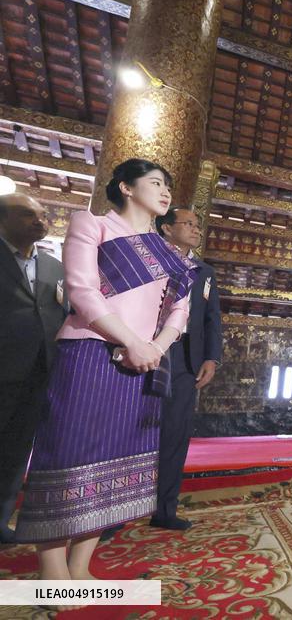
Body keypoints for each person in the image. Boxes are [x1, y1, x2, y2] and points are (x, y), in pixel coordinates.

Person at [15, 159, 197, 586]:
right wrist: (131, 341)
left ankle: (81, 567)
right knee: (69, 455)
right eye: (155, 182)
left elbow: (179, 311)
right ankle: (52, 574)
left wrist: (153, 347)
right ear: (126, 187)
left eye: (168, 185)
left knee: (114, 462)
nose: (165, 191)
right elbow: (82, 291)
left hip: (144, 361)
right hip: (89, 352)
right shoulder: (93, 225)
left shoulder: (169, 254)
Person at [0, 193, 66, 544]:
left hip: (39, 373)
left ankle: (1, 520)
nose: (40, 221)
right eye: (28, 214)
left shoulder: (54, 267)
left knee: (16, 452)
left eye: (43, 214)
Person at [151, 207, 222, 530]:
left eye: (198, 224)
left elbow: (212, 319)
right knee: (131, 428)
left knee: (176, 432)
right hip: (146, 347)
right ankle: (115, 513)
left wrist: (211, 358)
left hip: (185, 356)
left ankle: (165, 510)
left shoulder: (204, 271)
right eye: (189, 224)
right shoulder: (150, 259)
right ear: (167, 228)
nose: (196, 229)